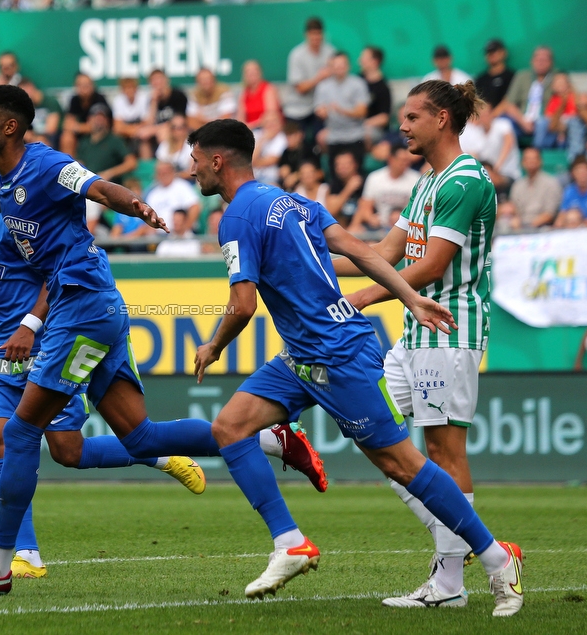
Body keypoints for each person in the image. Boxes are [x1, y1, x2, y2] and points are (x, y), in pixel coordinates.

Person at [0, 86, 327, 595]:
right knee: (140, 438)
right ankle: (269, 438)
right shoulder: (6, 181)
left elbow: (95, 187)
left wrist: (136, 205)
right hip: (97, 307)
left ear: (9, 126)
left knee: (22, 432)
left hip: (81, 307)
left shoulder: (46, 163)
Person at [189, 117, 522, 614]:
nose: (192, 171)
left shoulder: (235, 218)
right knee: (230, 427)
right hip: (301, 355)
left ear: (218, 161)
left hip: (339, 354)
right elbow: (364, 251)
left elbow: (242, 306)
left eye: (195, 162)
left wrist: (213, 345)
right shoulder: (294, 201)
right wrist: (409, 297)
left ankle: (497, 559)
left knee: (401, 464)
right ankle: (289, 542)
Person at [0, 139, 207, 579]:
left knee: (66, 450)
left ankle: (157, 454)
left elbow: (53, 275)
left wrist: (31, 324)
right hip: (1, 353)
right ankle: (23, 553)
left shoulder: (11, 217)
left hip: (46, 340)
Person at [332, 81, 513, 611]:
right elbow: (384, 251)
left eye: (411, 117)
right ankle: (482, 553)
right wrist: (306, 257)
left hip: (448, 329)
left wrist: (364, 295)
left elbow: (433, 266)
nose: (402, 126)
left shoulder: (465, 181)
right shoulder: (427, 181)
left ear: (440, 118)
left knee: (441, 452)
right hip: (414, 332)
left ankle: (452, 584)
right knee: (378, 435)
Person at [314, 52, 369, 174]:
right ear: (331, 67)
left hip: (355, 133)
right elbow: (319, 108)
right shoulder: (323, 86)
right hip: (333, 135)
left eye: (342, 64)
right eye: (336, 65)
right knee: (335, 172)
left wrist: (341, 110)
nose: (339, 68)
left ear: (348, 66)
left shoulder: (358, 83)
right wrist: (321, 112)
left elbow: (362, 111)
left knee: (357, 172)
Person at [348, 145, 421, 233]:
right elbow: (365, 205)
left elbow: (418, 208)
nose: (404, 163)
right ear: (391, 159)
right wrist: (371, 218)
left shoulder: (416, 178)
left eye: (406, 160)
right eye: (401, 160)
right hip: (380, 226)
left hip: (407, 226)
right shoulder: (375, 177)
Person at [284, 17, 335, 135]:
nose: (316, 37)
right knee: (297, 140)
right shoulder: (296, 55)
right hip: (297, 107)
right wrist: (319, 77)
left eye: (319, 33)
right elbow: (300, 89)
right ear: (306, 35)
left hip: (321, 106)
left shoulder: (330, 52)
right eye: (313, 34)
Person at [504, 147, 562, 230]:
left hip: (543, 227)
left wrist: (530, 226)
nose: (531, 161)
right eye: (527, 159)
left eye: (534, 158)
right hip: (520, 226)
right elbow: (514, 209)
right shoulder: (518, 185)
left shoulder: (551, 183)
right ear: (522, 163)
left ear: (540, 161)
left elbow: (550, 214)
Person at [554, 156, 587, 228]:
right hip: (570, 230)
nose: (582, 175)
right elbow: (561, 217)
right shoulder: (568, 191)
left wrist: (578, 222)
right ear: (573, 174)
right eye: (578, 172)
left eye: (584, 172)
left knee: (573, 217)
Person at [236, 60, 280, 130]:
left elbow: (271, 115)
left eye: (254, 70)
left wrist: (250, 126)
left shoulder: (269, 89)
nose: (251, 73)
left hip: (267, 129)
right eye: (248, 71)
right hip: (249, 130)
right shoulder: (244, 93)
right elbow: (240, 117)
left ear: (260, 72)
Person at [474, 39, 514, 108]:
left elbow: (509, 101)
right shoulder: (480, 79)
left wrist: (492, 115)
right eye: (488, 52)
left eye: (494, 51)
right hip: (483, 115)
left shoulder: (512, 76)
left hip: (505, 115)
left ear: (503, 53)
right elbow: (476, 101)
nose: (491, 54)